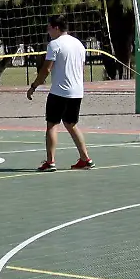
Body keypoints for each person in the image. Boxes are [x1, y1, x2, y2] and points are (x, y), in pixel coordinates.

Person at [27, 14, 94, 171]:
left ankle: (50, 162)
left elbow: (46, 69)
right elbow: (80, 68)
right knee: (71, 124)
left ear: (56, 27)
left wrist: (34, 86)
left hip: (60, 92)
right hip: (77, 92)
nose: (48, 31)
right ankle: (85, 158)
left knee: (52, 125)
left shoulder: (54, 44)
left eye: (49, 27)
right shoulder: (78, 44)